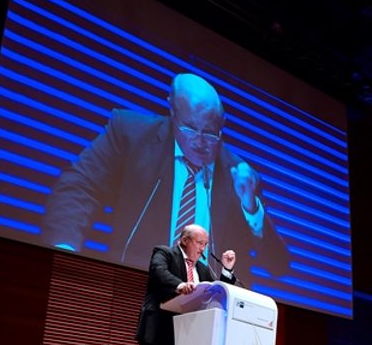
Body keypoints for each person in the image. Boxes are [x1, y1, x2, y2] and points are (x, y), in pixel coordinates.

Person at [40, 72, 289, 282]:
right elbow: (80, 187)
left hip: (207, 310)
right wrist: (65, 251)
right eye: (190, 128)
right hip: (136, 287)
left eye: (211, 133)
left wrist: (252, 208)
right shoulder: (130, 134)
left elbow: (278, 265)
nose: (200, 142)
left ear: (222, 124)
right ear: (172, 111)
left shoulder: (240, 175)